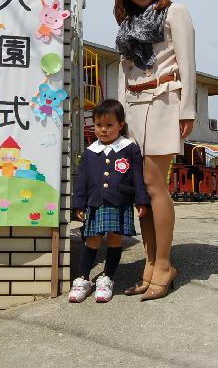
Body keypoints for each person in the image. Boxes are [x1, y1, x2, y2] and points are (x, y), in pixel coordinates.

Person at [115, 0, 196, 301]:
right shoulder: (128, 24)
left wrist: (188, 108)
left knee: (152, 182)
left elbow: (188, 62)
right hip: (133, 107)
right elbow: (124, 72)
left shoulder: (174, 12)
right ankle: (149, 263)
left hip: (164, 101)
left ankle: (164, 264)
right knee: (141, 190)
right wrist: (119, 119)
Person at [70, 99, 149, 303]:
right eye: (98, 125)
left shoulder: (129, 148)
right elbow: (82, 179)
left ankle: (106, 278)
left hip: (119, 200)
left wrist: (141, 200)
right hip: (95, 202)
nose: (103, 130)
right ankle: (83, 279)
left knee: (115, 239)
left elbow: (137, 177)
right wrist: (78, 203)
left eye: (109, 125)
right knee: (92, 239)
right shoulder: (90, 151)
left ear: (121, 125)